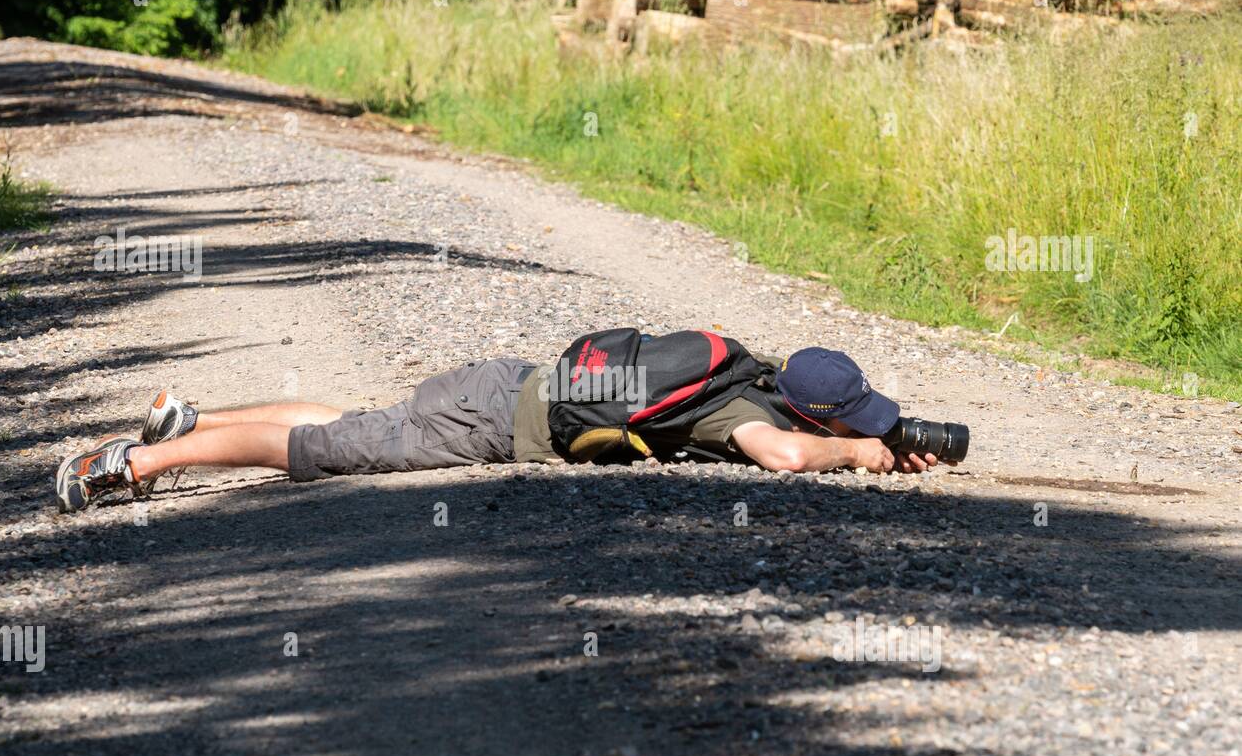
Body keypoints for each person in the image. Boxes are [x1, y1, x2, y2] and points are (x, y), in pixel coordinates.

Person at [54, 344, 950, 513]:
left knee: (356, 423)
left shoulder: (745, 367)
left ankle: (193, 419)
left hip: (502, 377)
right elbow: (789, 457)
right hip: (487, 424)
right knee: (317, 453)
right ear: (810, 404)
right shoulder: (755, 415)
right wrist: (859, 454)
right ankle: (130, 465)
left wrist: (874, 442)